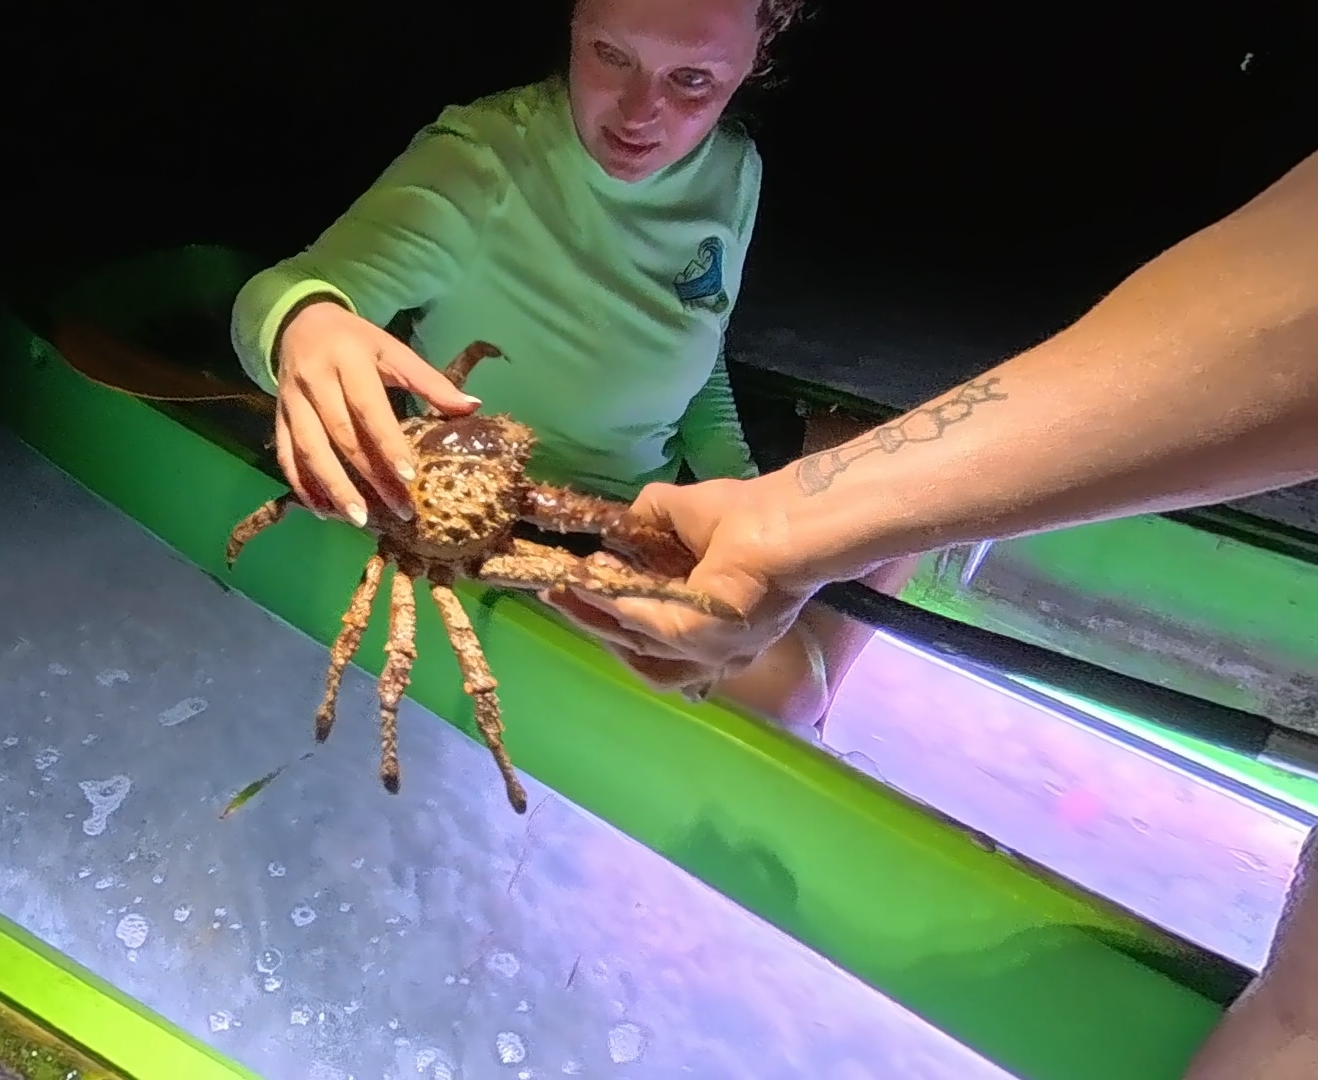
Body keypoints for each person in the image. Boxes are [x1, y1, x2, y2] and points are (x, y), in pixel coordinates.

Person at [543, 146, 1318, 1076]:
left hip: (692, 498)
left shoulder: (721, 185)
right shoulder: (500, 169)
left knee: (783, 692)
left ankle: (849, 529)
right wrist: (786, 523)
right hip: (715, 515)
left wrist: (776, 510)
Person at [229, 0, 909, 732]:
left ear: (757, 56)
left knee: (906, 461)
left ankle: (809, 680)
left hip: (658, 491)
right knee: (788, 690)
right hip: (511, 517)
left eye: (692, 80)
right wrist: (304, 322)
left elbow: (695, 340)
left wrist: (739, 491)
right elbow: (281, 293)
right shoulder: (481, 161)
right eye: (612, 55)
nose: (639, 114)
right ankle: (811, 714)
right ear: (576, 21)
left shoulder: (734, 168)